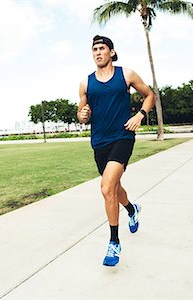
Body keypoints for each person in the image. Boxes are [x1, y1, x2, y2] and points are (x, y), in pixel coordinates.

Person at [78, 35, 155, 267]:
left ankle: (114, 242)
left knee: (106, 188)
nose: (98, 53)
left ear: (112, 52)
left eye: (102, 48)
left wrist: (140, 116)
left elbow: (149, 95)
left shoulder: (126, 75)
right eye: (94, 49)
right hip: (99, 142)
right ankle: (132, 209)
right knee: (114, 189)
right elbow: (82, 113)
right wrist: (82, 116)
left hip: (122, 136)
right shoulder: (85, 83)